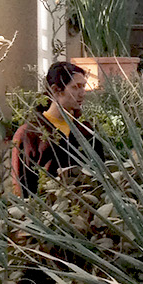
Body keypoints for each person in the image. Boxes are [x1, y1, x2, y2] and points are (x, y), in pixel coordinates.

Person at [9, 60, 100, 196]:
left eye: (83, 87)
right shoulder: (30, 133)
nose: (82, 93)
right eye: (75, 87)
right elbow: (20, 183)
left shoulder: (86, 129)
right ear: (56, 90)